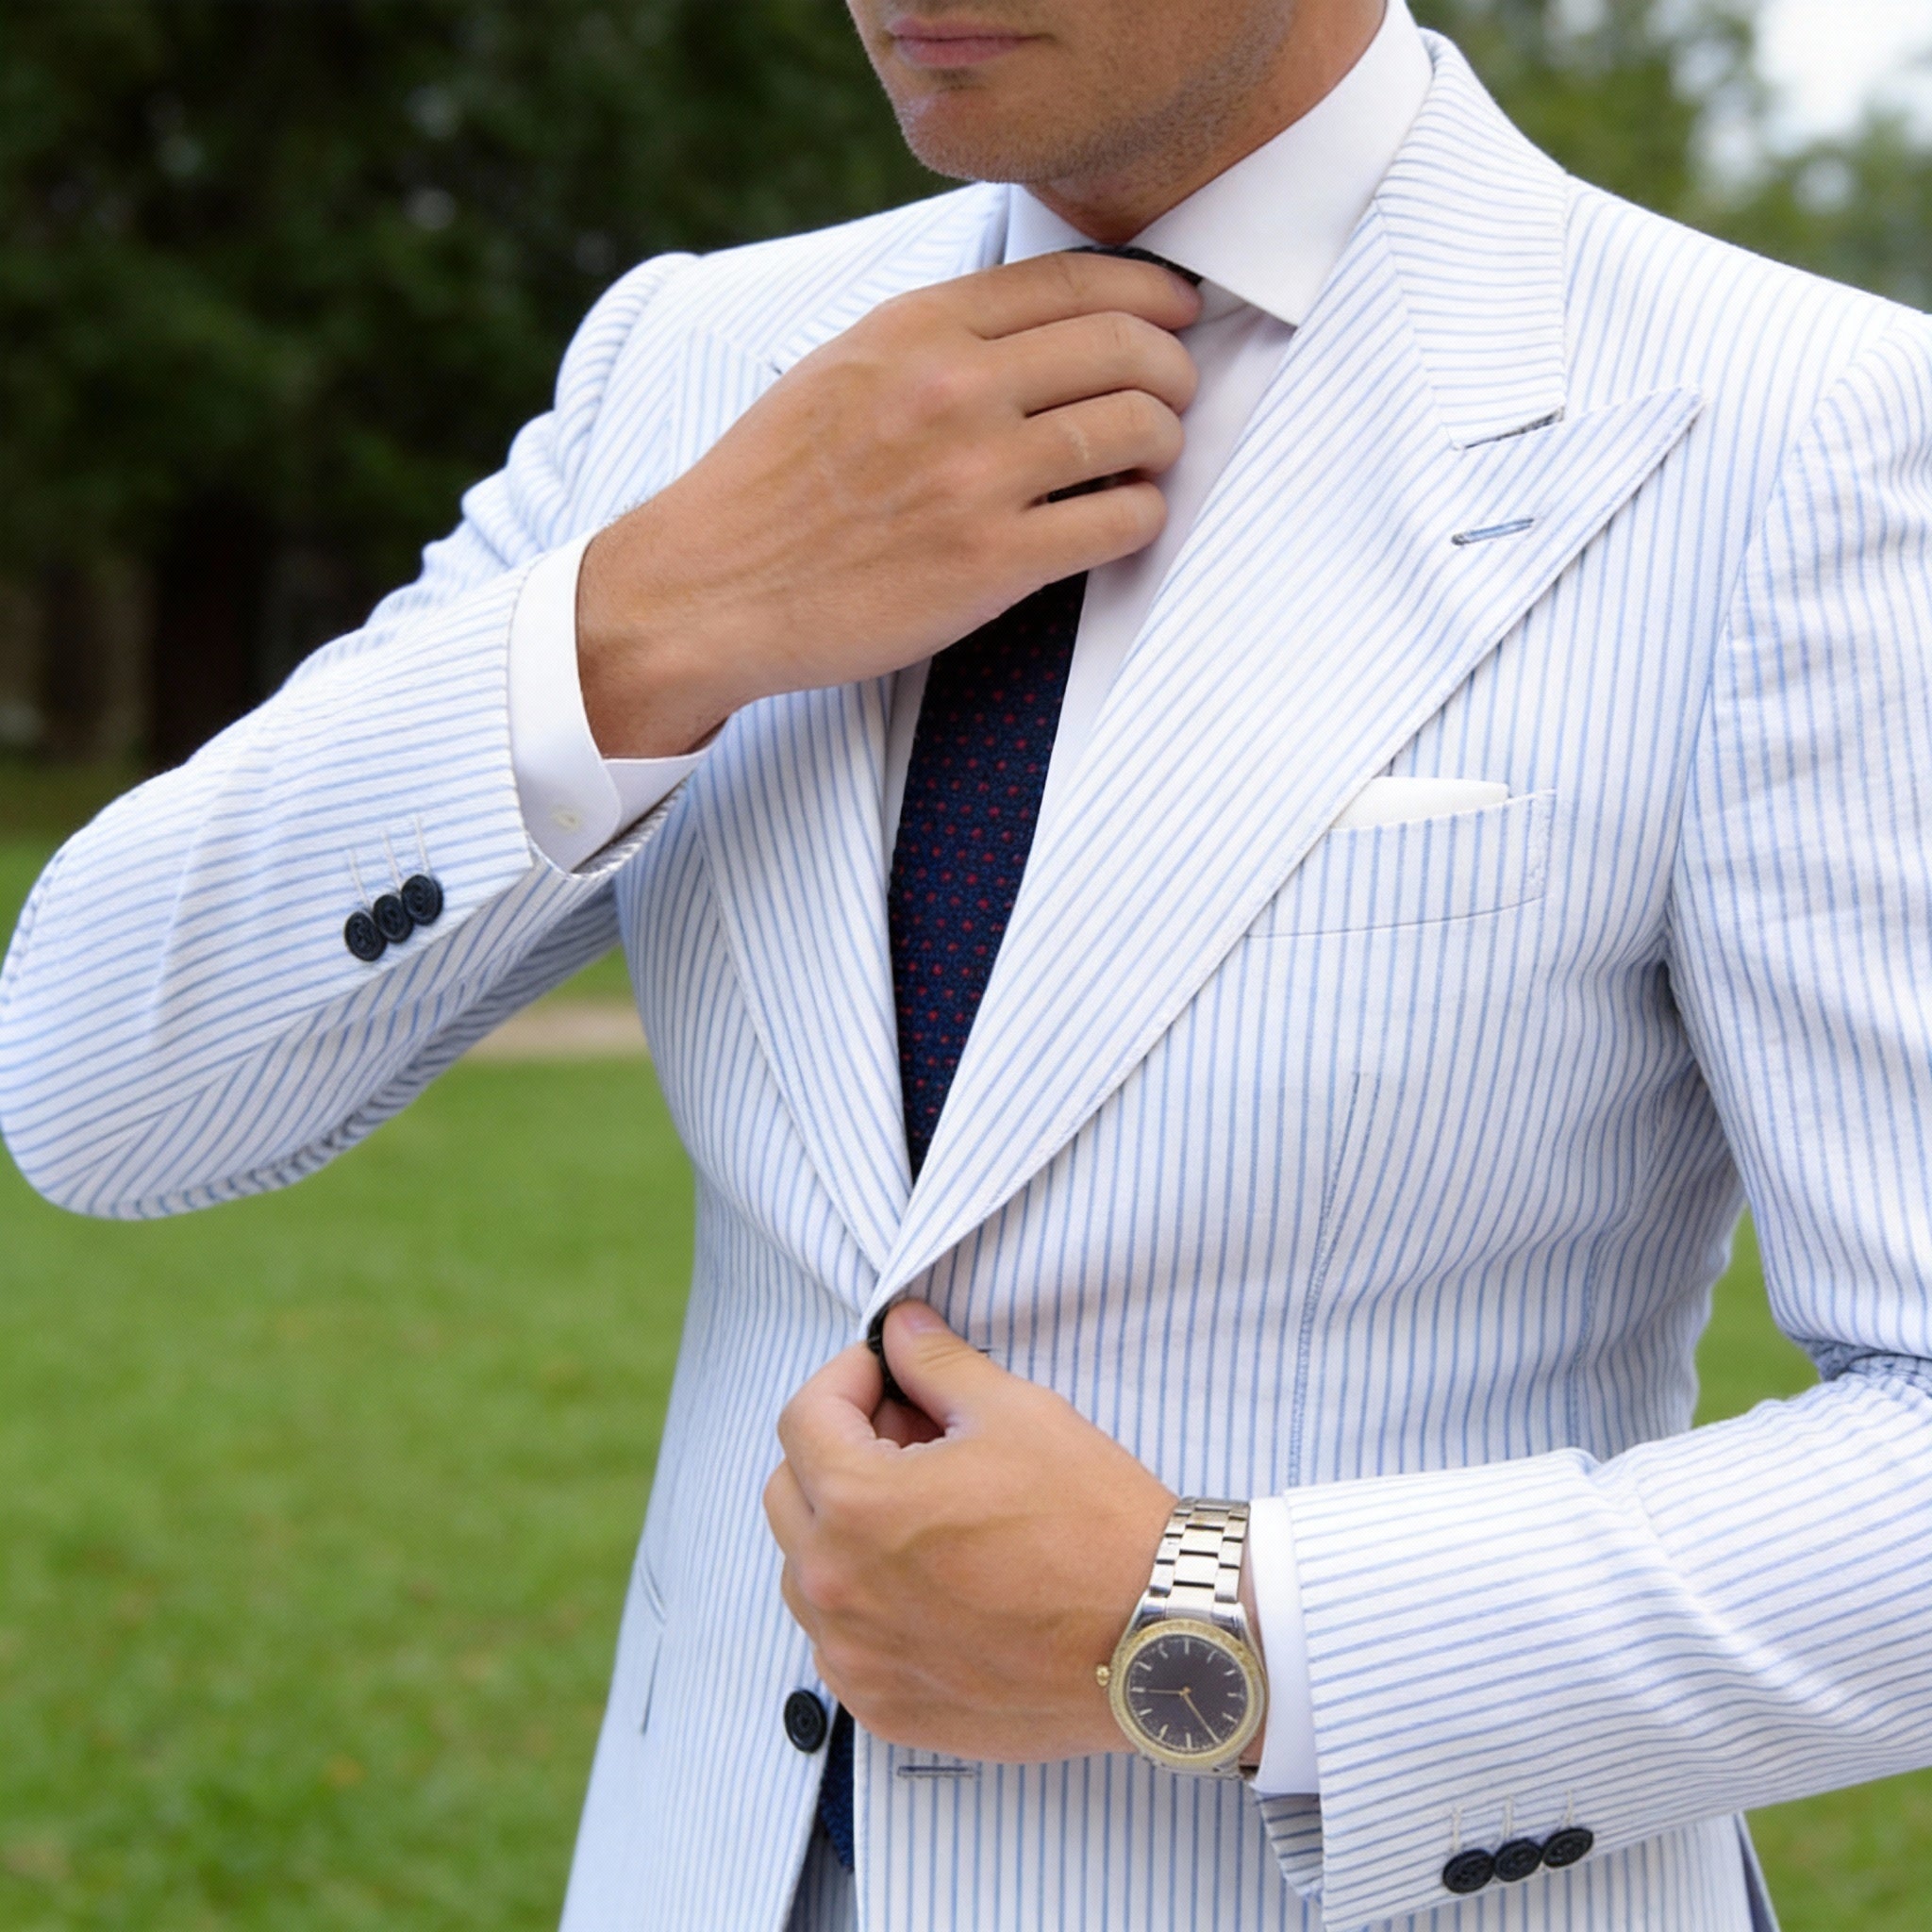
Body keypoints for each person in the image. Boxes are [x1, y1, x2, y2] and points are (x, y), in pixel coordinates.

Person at [6, 0, 1932, 1924]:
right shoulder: (694, 364)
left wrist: (1216, 1622)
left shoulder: (1799, 428)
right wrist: (655, 618)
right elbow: (99, 1088)